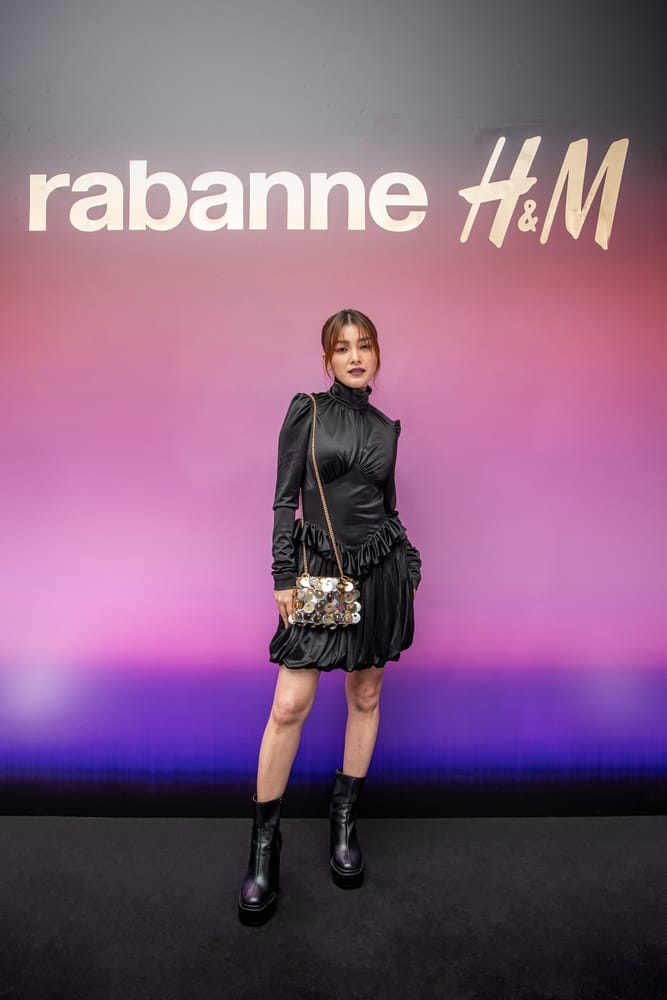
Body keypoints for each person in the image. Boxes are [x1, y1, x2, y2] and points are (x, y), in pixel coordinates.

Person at [238, 309, 422, 925]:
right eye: (342, 348)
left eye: (364, 346)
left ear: (377, 354)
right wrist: (283, 573)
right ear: (327, 359)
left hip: (378, 572)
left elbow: (387, 507)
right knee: (291, 704)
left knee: (365, 695)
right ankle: (265, 846)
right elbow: (284, 498)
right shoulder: (308, 411)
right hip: (323, 573)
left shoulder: (387, 428)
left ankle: (344, 820)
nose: (355, 357)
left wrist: (407, 566)